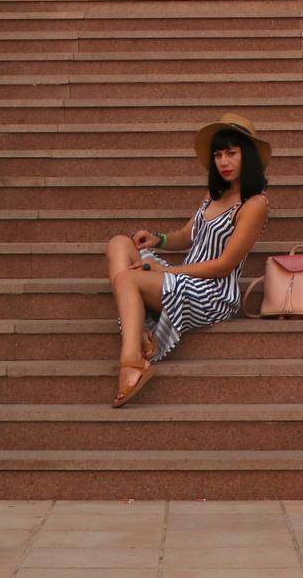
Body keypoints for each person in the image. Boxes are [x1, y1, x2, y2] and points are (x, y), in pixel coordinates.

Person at [104, 112, 270, 408]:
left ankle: (132, 362)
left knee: (128, 277)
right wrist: (159, 240)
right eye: (218, 155)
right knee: (119, 243)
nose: (224, 162)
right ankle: (140, 333)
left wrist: (166, 272)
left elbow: (224, 265)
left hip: (213, 292)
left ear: (249, 156)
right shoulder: (213, 194)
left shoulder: (254, 204)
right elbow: (186, 235)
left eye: (232, 153)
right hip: (184, 278)